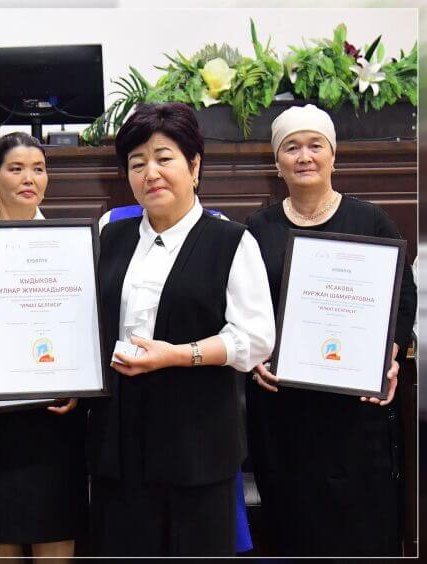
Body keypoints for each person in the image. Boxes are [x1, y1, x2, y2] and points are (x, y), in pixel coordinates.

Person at [81, 102, 275, 556]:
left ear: (194, 165)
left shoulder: (231, 240)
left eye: (164, 158)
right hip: (119, 444)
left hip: (197, 446)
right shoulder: (110, 236)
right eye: (137, 163)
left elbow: (255, 338)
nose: (150, 173)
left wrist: (178, 355)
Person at [246, 104, 417, 556]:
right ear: (277, 163)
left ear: (333, 156)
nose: (304, 156)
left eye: (315, 145)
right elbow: (245, 306)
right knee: (293, 527)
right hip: (284, 406)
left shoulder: (371, 221)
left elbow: (403, 298)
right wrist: (256, 357)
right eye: (291, 147)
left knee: (361, 528)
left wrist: (388, 355)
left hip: (354, 409)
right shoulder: (258, 229)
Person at [0, 132, 88, 559]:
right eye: (16, 168)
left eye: (39, 169)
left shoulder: (69, 241)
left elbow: (84, 322)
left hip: (52, 417)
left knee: (55, 528)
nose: (30, 178)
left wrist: (80, 383)